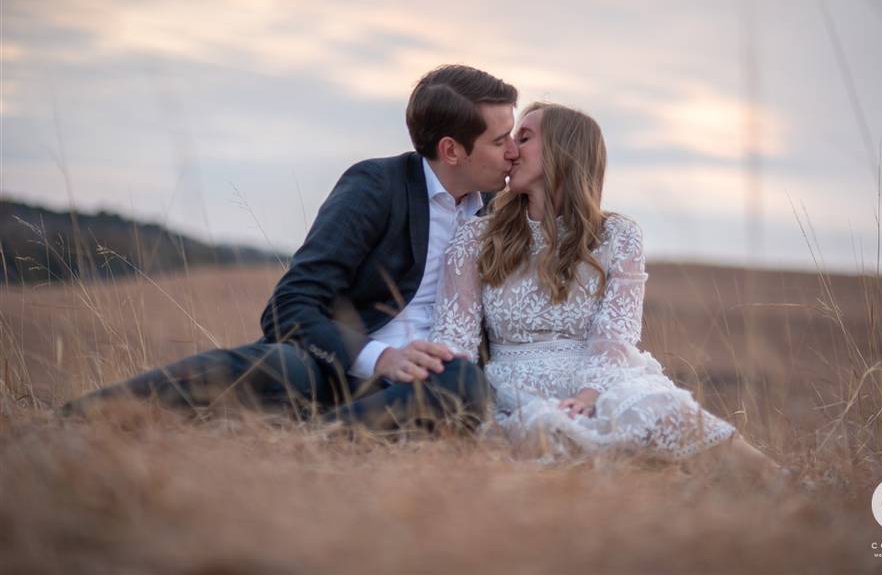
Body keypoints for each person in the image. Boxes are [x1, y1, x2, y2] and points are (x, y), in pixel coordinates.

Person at [63, 65, 519, 431]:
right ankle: (77, 419)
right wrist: (380, 357)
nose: (513, 152)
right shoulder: (377, 186)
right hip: (335, 369)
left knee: (463, 383)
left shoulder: (502, 209)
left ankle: (315, 440)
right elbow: (289, 305)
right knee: (276, 365)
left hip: (425, 387)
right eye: (500, 141)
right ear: (451, 150)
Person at [429, 102, 783, 478]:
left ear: (563, 150)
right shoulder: (475, 237)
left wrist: (590, 394)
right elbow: (455, 338)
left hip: (601, 376)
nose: (511, 149)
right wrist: (468, 407)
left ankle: (790, 485)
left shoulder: (619, 236)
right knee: (546, 433)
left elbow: (616, 332)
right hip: (515, 385)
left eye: (525, 137)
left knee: (658, 407)